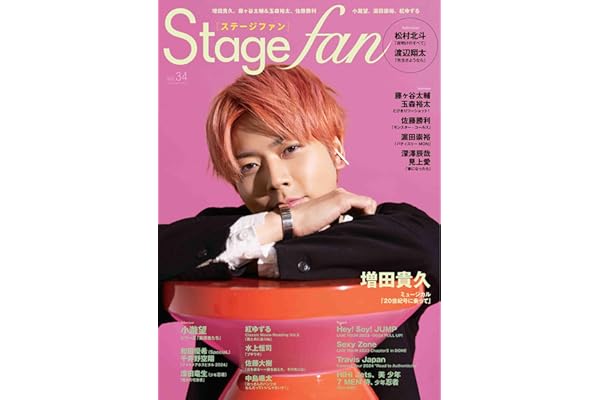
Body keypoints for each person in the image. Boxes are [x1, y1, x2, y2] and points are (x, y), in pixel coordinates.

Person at [159, 65, 440, 399]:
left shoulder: (390, 228)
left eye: (290, 149)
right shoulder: (221, 233)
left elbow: (434, 253)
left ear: (335, 149)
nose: (276, 179)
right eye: (249, 166)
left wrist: (264, 259)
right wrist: (284, 223)